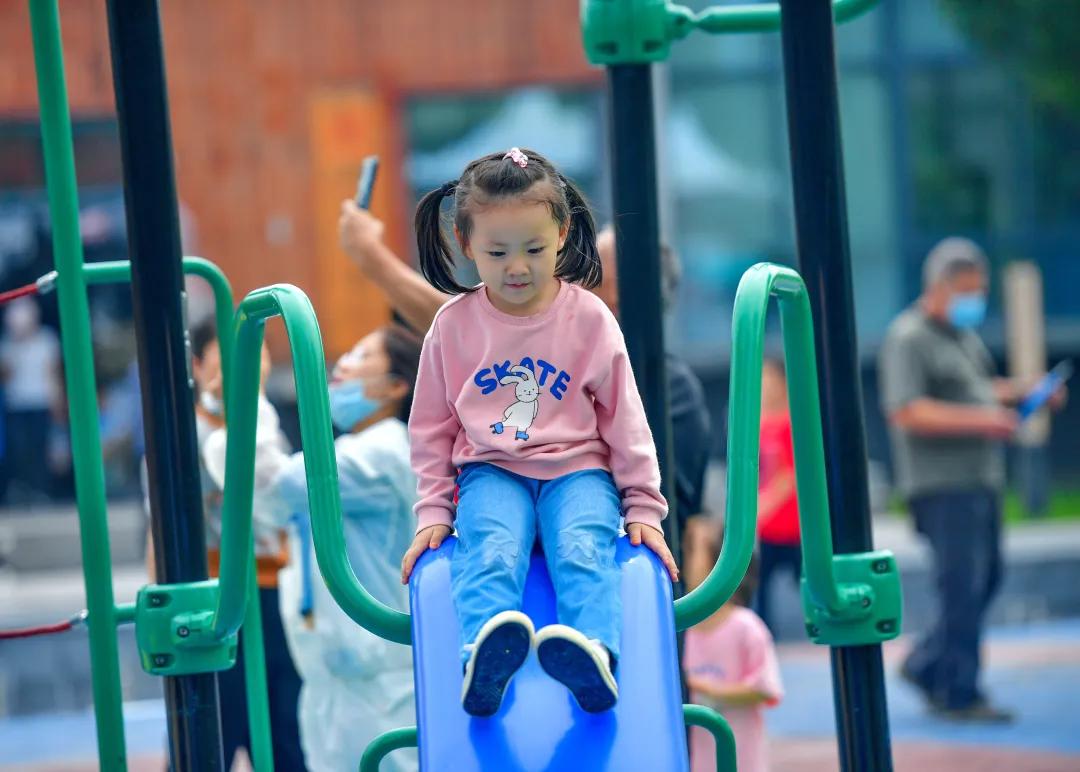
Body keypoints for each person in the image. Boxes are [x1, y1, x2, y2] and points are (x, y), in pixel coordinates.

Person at [397, 147, 678, 718]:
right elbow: (430, 426)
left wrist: (642, 507)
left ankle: (593, 653)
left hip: (578, 470)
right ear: (465, 241)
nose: (517, 267)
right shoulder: (454, 326)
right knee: (492, 550)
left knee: (582, 547)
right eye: (497, 253)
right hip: (491, 470)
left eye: (534, 249)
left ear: (563, 233)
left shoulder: (589, 319)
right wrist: (433, 513)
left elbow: (625, 419)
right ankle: (483, 657)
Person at [202, 323, 421, 772]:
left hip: (378, 684)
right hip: (333, 683)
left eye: (361, 358)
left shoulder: (383, 452)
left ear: (396, 386)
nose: (342, 366)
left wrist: (250, 400)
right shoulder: (352, 450)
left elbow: (268, 481)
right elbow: (268, 504)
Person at [879, 237, 1065, 723]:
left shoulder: (962, 338)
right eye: (966, 291)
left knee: (986, 580)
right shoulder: (908, 337)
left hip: (980, 481)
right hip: (941, 487)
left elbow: (978, 392)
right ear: (938, 288)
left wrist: (1023, 394)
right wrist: (986, 420)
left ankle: (926, 664)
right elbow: (908, 410)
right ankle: (960, 691)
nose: (973, 301)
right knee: (960, 586)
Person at [163, 318, 306, 770]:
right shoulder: (182, 435)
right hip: (213, 596)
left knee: (288, 730)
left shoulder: (265, 419)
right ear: (198, 364)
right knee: (210, 731)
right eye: (227, 359)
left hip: (273, 593)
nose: (245, 369)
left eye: (255, 356)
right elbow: (158, 530)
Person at [683, 522, 783, 772]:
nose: (681, 555)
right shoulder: (679, 628)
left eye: (691, 549)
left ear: (719, 565)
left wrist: (707, 688)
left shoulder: (746, 628)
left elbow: (765, 688)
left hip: (739, 759)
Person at [752, 357, 801, 635]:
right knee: (761, 589)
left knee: (806, 581)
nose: (765, 386)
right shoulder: (756, 425)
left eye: (770, 380)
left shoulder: (792, 423)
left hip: (793, 525)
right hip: (766, 529)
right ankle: (764, 635)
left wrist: (764, 505)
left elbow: (790, 475)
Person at [0, 297, 61, 503]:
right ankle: (22, 489)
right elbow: (6, 376)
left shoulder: (47, 339)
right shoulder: (7, 343)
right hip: (16, 404)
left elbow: (53, 373)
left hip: (40, 402)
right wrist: (16, 348)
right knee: (19, 449)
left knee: (40, 448)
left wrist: (57, 401)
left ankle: (41, 490)